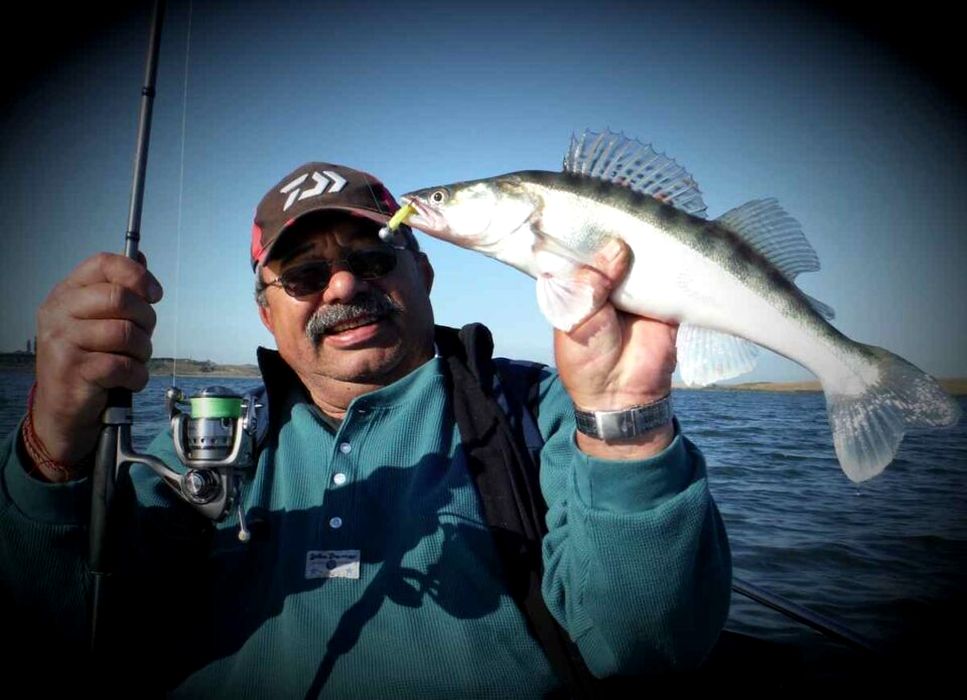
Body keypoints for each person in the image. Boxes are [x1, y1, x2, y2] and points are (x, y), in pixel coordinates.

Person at [1, 162, 732, 696]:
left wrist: (629, 424)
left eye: (374, 258)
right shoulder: (214, 439)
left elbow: (649, 648)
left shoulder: (548, 413)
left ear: (424, 276)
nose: (344, 285)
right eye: (303, 276)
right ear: (267, 313)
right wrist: (55, 446)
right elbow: (63, 629)